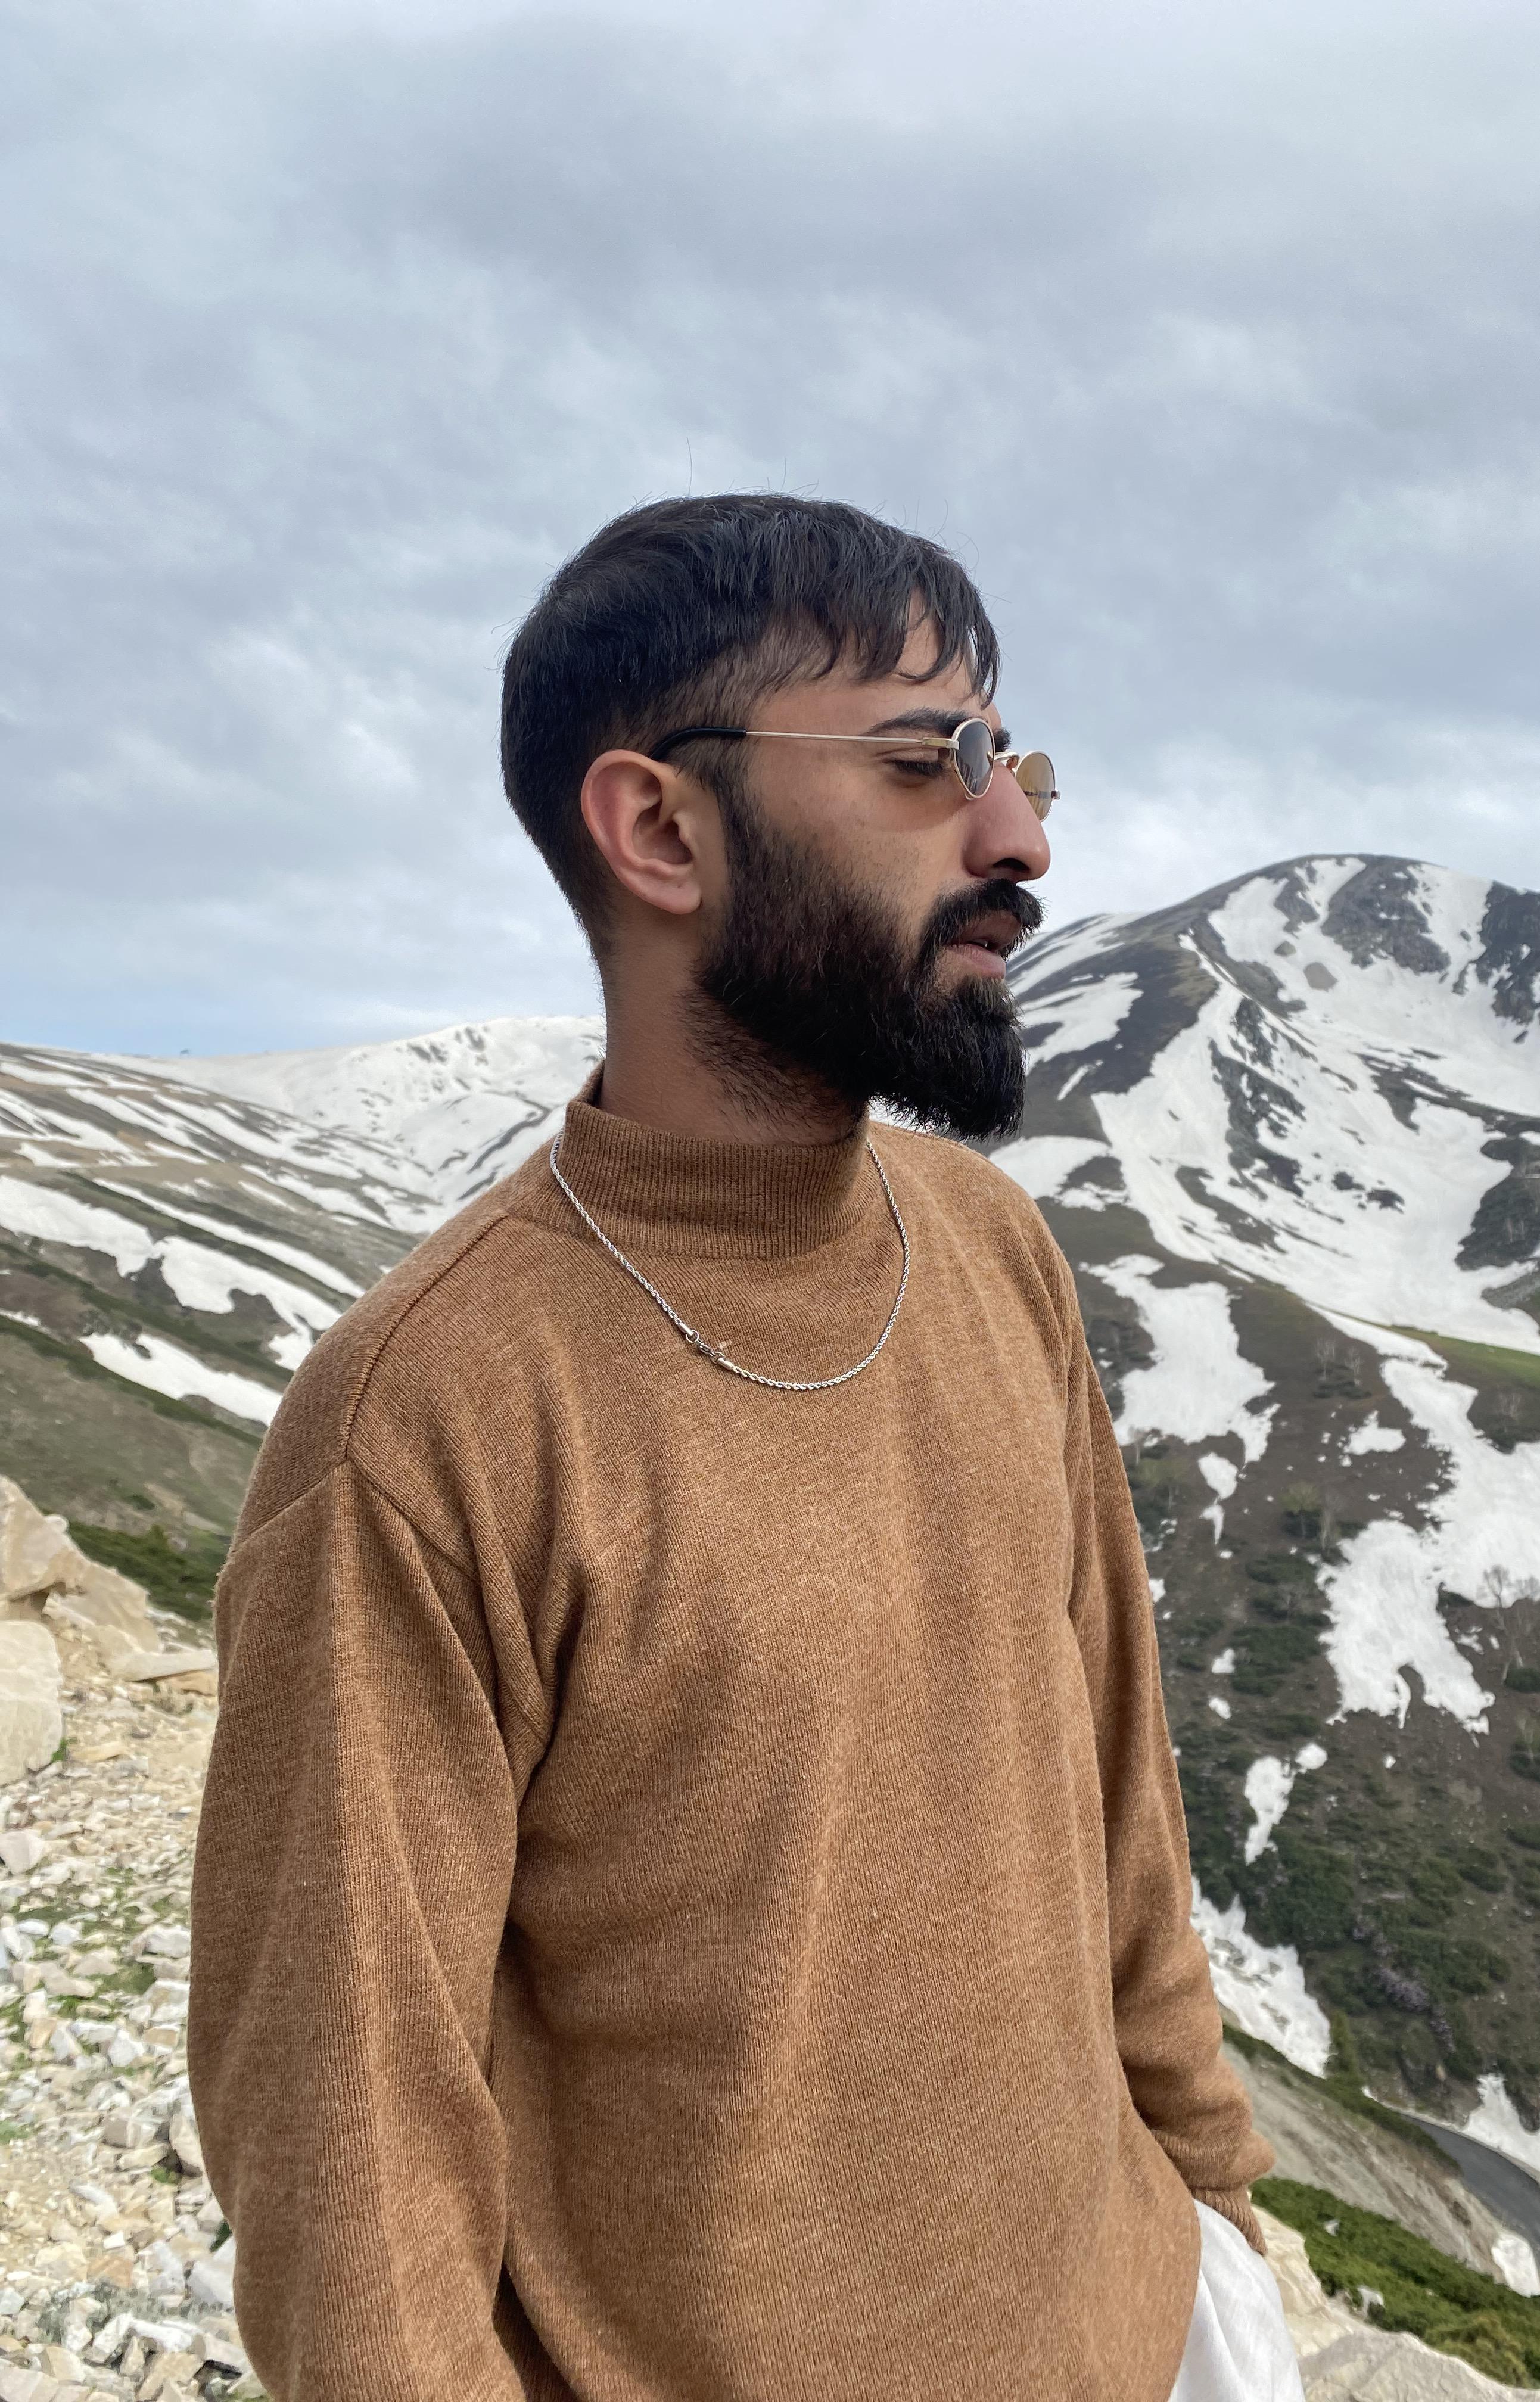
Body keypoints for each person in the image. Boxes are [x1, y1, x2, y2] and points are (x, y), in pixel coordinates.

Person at [189, 494, 1301, 2401]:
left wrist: (1221, 2228)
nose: (1021, 839)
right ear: (662, 832)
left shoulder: (993, 1253)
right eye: (926, 762)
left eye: (1015, 762)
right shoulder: (427, 1424)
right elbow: (345, 2182)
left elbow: (1124, 1815)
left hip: (1155, 2326)